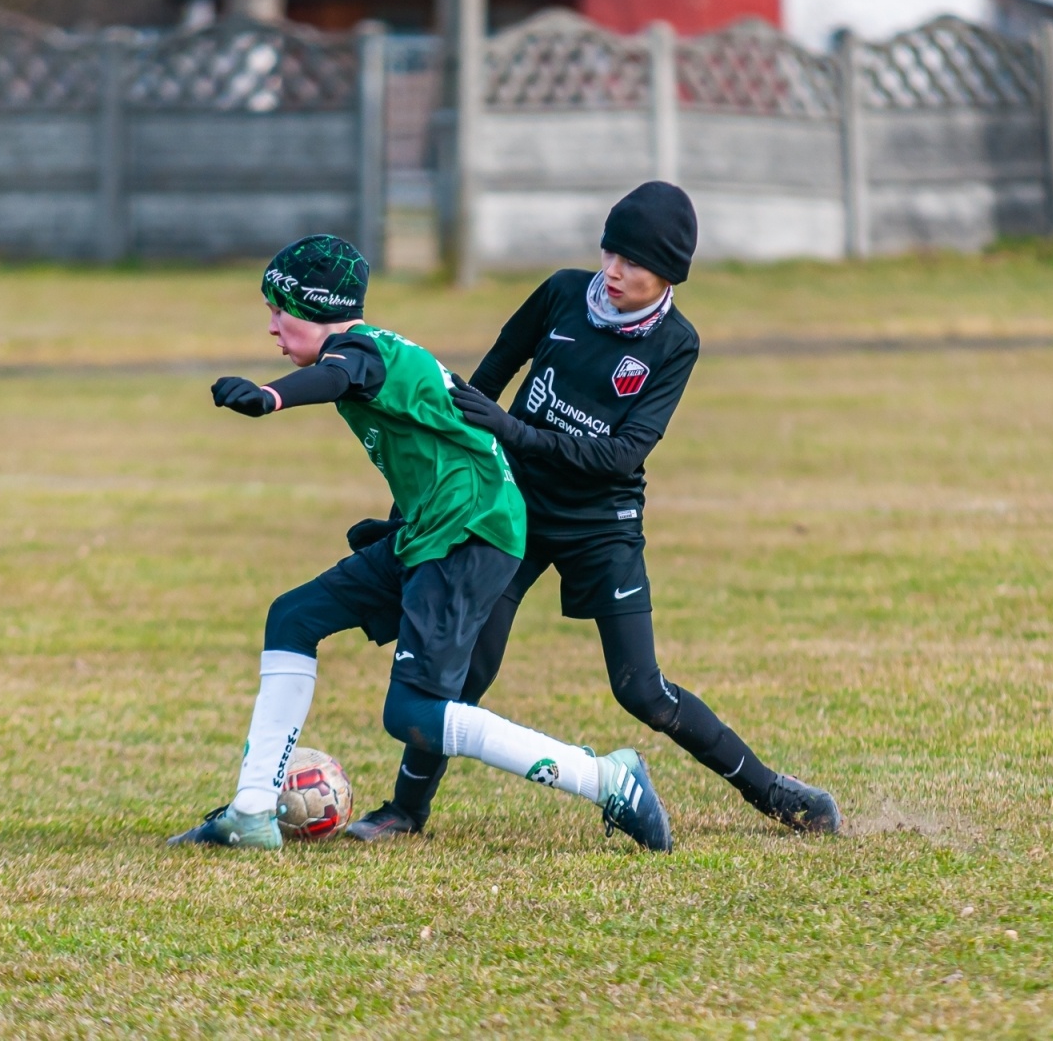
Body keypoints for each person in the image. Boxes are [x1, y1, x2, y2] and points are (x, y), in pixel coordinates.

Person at [345, 183, 842, 842]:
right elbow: (482, 387)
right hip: (509, 509)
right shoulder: (559, 293)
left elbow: (622, 455)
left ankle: (779, 795)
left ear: (669, 275)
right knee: (466, 668)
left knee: (642, 690)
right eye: (609, 252)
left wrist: (515, 432)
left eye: (632, 264)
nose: (612, 272)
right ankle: (406, 812)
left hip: (599, 524)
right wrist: (425, 496)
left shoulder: (675, 343)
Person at [168, 234, 672, 852]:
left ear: (318, 308)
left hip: (472, 534)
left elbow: (339, 376)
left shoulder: (360, 356)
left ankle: (608, 779)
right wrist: (399, 519)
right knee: (293, 617)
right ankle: (250, 813)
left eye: (282, 309)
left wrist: (271, 397)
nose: (272, 325)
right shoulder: (374, 353)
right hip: (429, 529)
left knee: (414, 713)